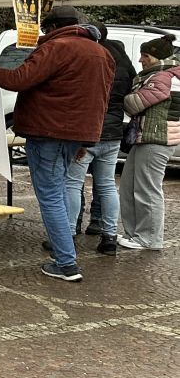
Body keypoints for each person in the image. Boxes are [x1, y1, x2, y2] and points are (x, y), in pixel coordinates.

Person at [0, 3, 114, 281]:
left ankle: (66, 263)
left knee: (51, 196)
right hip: (77, 134)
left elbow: (19, 79)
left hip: (48, 132)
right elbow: (100, 100)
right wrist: (84, 139)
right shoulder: (102, 53)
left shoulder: (56, 47)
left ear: (53, 28)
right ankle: (64, 256)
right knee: (60, 191)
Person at [64, 22, 135, 256]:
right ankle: (109, 237)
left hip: (89, 131)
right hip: (113, 133)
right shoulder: (123, 61)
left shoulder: (91, 58)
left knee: (73, 183)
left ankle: (67, 235)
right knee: (106, 185)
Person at [117, 34, 180, 251]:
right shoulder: (164, 75)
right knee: (129, 187)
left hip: (156, 138)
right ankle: (134, 234)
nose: (140, 60)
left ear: (157, 57)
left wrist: (122, 96)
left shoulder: (161, 77)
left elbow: (134, 104)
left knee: (147, 190)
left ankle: (148, 238)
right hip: (148, 137)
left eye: (145, 56)